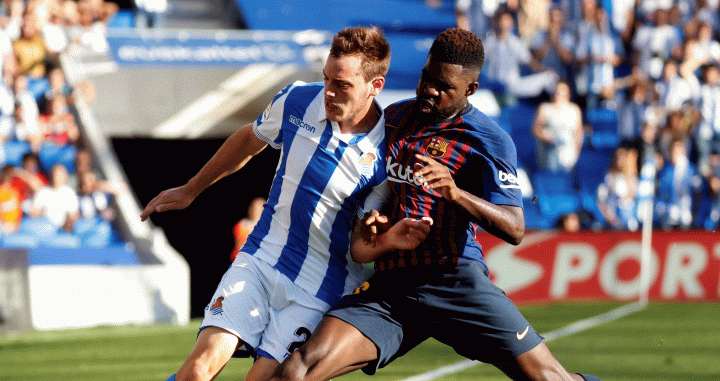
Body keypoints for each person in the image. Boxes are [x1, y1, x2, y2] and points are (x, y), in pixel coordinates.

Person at [269, 27, 601, 381]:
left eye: (445, 87)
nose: (430, 89)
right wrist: (370, 220)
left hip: (454, 279)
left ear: (470, 89)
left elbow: (515, 227)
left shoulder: (488, 140)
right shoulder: (394, 119)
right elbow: (369, 185)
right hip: (394, 284)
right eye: (428, 76)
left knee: (551, 379)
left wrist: (456, 193)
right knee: (296, 371)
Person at [140, 27, 431, 381]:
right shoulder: (297, 100)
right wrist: (191, 189)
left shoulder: (387, 155)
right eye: (326, 78)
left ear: (376, 85)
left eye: (342, 85)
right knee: (198, 371)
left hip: (318, 290)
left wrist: (382, 236)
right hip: (260, 259)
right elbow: (251, 137)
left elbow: (362, 243)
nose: (329, 91)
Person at [532, 80, 584, 173]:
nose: (559, 92)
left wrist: (576, 152)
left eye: (562, 89)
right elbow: (536, 129)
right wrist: (549, 138)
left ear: (568, 93)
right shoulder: (544, 108)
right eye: (557, 89)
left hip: (568, 153)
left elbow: (578, 132)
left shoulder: (575, 109)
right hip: (548, 151)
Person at [230, 196, 266, 262]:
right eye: (256, 208)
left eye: (261, 209)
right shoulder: (241, 226)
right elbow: (240, 246)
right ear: (251, 209)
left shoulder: (268, 228)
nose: (257, 211)